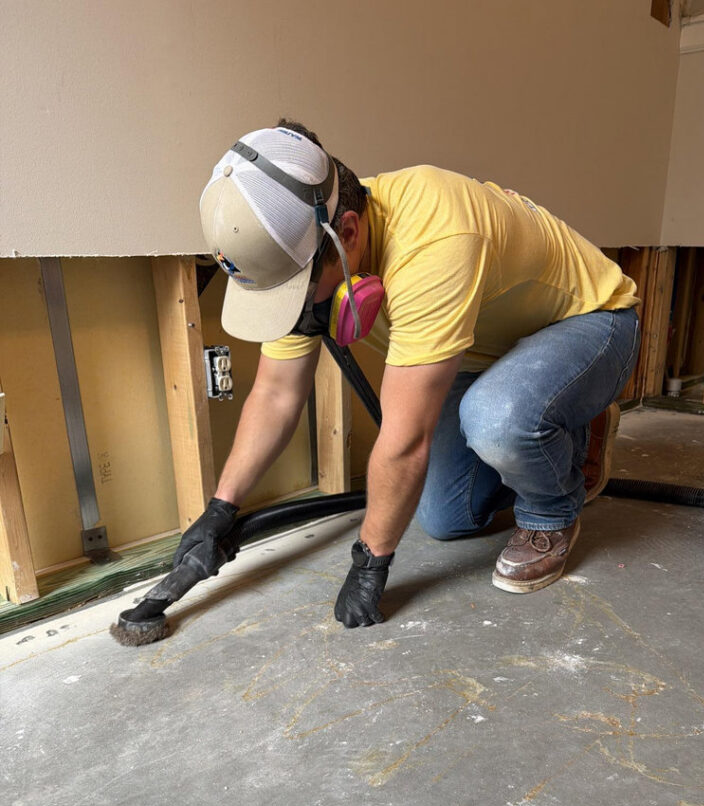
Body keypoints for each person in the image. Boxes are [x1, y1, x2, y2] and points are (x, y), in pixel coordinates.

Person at [174, 119, 640, 628]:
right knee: (445, 518)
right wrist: (222, 508)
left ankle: (552, 505)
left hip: (592, 325)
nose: (302, 307)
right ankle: (553, 433)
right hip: (487, 353)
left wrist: (370, 562)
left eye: (301, 291)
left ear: (347, 231)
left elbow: (403, 441)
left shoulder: (433, 239)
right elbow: (276, 393)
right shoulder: (300, 247)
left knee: (498, 419)